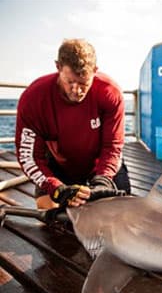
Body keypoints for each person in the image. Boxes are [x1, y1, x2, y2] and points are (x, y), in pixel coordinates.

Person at [15, 38, 130, 210]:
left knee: (120, 209)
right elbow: (29, 156)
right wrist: (56, 188)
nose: (76, 91)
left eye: (84, 83)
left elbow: (112, 146)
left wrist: (103, 181)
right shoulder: (34, 98)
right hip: (59, 165)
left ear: (95, 71)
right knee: (47, 207)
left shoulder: (109, 92)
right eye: (70, 82)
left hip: (100, 165)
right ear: (58, 67)